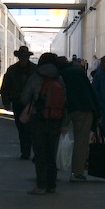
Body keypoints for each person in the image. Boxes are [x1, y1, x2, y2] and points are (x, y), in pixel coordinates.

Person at [20, 53, 67, 194]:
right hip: (56, 121)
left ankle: (40, 186)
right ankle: (51, 185)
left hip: (38, 120)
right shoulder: (59, 79)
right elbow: (65, 102)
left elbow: (24, 98)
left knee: (40, 154)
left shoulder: (35, 77)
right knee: (51, 154)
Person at [59, 55, 101, 182]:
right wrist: (98, 113)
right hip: (84, 108)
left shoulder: (55, 74)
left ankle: (52, 168)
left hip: (62, 109)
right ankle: (77, 172)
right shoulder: (77, 72)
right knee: (81, 141)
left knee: (53, 138)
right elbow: (90, 91)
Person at [0, 45, 37, 160]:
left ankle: (27, 151)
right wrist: (6, 101)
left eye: (24, 56)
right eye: (21, 56)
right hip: (18, 103)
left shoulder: (34, 69)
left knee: (30, 128)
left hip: (31, 104)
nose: (23, 58)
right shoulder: (13, 70)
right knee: (21, 128)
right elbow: (5, 87)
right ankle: (25, 151)